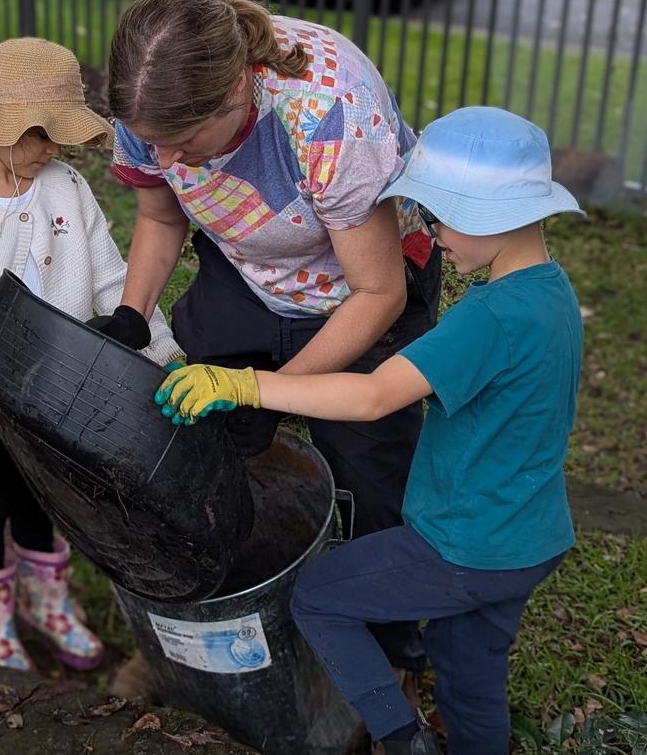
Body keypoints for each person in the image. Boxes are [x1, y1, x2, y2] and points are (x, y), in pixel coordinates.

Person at [155, 106, 586, 755]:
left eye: (438, 215)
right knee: (467, 670)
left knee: (319, 598)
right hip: (529, 538)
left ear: (489, 213)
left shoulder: (490, 319)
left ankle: (401, 739)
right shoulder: (552, 294)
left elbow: (374, 395)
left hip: (464, 545)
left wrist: (243, 385)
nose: (428, 230)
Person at [107, 0, 441, 683]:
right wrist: (133, 316)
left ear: (238, 89)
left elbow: (379, 293)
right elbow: (162, 217)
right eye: (154, 142)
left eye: (184, 142)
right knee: (196, 447)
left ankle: (389, 665)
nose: (170, 157)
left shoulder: (329, 115)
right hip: (246, 272)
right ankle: (211, 622)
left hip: (360, 295)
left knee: (371, 485)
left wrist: (267, 390)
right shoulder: (150, 102)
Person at [0, 37, 185, 671]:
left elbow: (112, 278)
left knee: (45, 496)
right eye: (41, 134)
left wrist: (163, 348)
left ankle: (47, 604)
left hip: (58, 391)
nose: (53, 149)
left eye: (59, 135)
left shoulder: (67, 188)